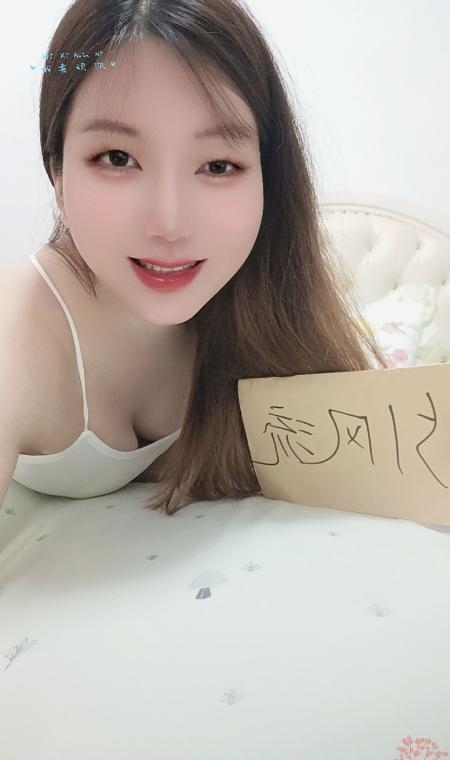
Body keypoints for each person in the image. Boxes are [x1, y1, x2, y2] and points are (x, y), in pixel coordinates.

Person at [0, 0, 387, 517]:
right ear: (58, 173)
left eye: (218, 165)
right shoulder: (16, 326)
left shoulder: (267, 312)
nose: (170, 224)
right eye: (118, 158)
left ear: (268, 178)